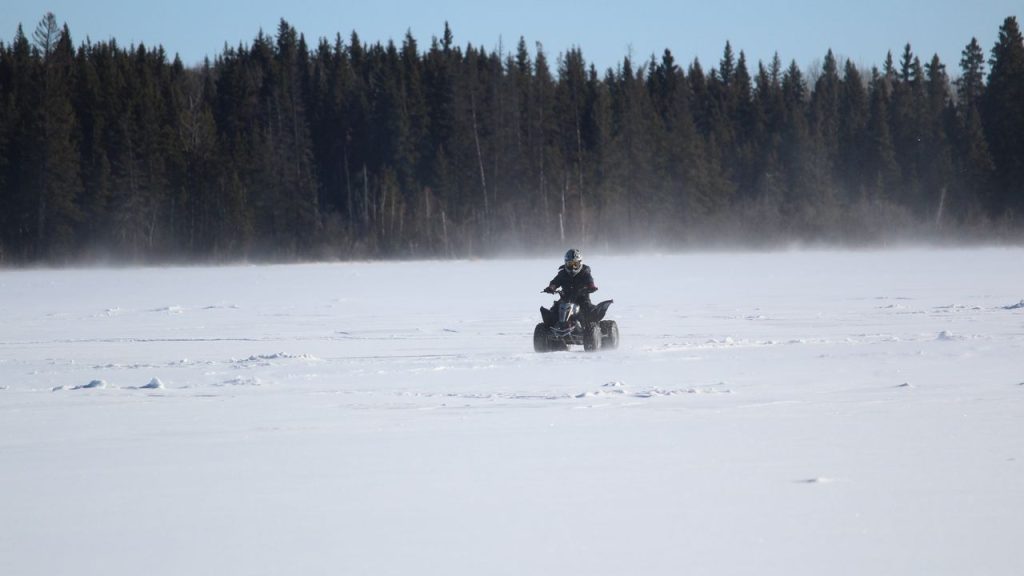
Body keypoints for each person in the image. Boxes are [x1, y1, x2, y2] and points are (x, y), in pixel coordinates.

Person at [542, 248, 598, 325]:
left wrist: (591, 287)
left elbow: (589, 280)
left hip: (582, 297)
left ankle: (588, 327)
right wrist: (551, 288)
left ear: (580, 263)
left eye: (575, 264)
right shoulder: (563, 273)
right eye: (570, 264)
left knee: (588, 310)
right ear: (566, 264)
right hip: (565, 298)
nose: (572, 268)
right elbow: (555, 282)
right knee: (554, 309)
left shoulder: (584, 272)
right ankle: (550, 328)